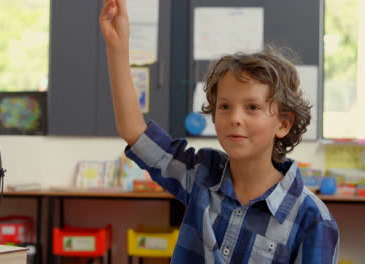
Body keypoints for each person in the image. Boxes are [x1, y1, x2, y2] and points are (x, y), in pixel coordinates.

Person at [99, 0, 339, 263]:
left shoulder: (313, 219)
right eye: (224, 106)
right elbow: (135, 133)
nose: (234, 118)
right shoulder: (201, 174)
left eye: (252, 107)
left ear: (283, 124)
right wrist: (117, 47)